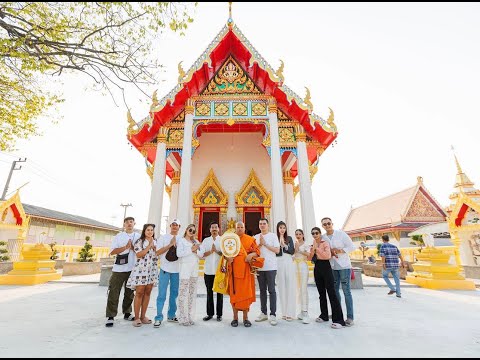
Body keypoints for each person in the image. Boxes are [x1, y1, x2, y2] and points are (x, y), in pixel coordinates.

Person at [105, 216, 140, 327]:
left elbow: (141, 251)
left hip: (133, 268)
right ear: (124, 224)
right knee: (114, 292)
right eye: (127, 222)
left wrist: (132, 248)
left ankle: (127, 313)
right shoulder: (119, 236)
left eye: (131, 222)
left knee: (129, 293)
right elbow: (112, 251)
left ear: (134, 223)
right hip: (119, 269)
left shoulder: (138, 236)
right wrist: (125, 247)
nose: (129, 224)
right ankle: (111, 316)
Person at [321, 217, 356, 326]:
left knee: (346, 292)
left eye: (328, 223)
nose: (327, 225)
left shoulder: (341, 234)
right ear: (323, 226)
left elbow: (352, 246)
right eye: (325, 224)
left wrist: (340, 250)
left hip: (344, 266)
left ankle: (350, 317)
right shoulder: (323, 237)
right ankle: (337, 313)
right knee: (334, 292)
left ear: (332, 223)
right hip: (332, 266)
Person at [309, 227, 346, 329]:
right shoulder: (313, 244)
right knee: (321, 293)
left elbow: (327, 255)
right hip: (317, 267)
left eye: (316, 233)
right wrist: (312, 249)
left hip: (326, 267)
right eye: (313, 233)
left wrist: (317, 248)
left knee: (331, 293)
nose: (315, 235)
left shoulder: (325, 243)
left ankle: (339, 320)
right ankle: (324, 315)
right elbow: (310, 258)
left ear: (320, 233)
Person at [227, 221, 261, 328]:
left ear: (244, 228)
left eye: (242, 227)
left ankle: (246, 318)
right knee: (234, 295)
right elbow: (225, 253)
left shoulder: (250, 239)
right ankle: (235, 318)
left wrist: (251, 255)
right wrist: (228, 258)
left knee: (246, 295)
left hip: (246, 271)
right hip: (234, 271)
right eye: (238, 227)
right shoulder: (231, 240)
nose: (240, 229)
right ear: (235, 228)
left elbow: (257, 252)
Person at [126, 223, 158, 327]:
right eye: (148, 230)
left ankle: (143, 316)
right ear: (144, 231)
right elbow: (139, 254)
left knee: (148, 292)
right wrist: (149, 246)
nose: (150, 232)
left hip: (151, 270)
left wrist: (155, 248)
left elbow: (158, 254)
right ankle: (136, 317)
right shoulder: (139, 242)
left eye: (151, 230)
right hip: (141, 270)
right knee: (139, 292)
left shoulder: (156, 242)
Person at [153, 219, 181, 328]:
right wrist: (170, 245)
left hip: (177, 270)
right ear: (170, 226)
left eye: (176, 225)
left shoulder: (182, 239)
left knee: (174, 294)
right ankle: (159, 317)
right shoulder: (163, 238)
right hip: (164, 269)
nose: (174, 227)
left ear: (179, 226)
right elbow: (157, 253)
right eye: (173, 225)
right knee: (162, 294)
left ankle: (171, 315)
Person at [254, 217, 280, 326]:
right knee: (262, 291)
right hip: (260, 267)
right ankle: (263, 313)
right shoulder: (255, 237)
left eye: (264, 223)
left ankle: (273, 314)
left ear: (267, 225)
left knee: (272, 290)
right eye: (260, 224)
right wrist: (260, 244)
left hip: (271, 267)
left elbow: (277, 250)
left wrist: (265, 244)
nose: (262, 225)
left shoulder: (273, 236)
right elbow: (254, 251)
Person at [176, 224, 202, 326]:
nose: (191, 232)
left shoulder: (196, 242)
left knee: (192, 293)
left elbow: (201, 255)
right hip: (185, 269)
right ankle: (182, 317)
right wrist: (191, 249)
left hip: (194, 269)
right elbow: (179, 254)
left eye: (193, 231)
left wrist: (196, 250)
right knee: (183, 293)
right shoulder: (181, 241)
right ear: (186, 230)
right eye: (190, 230)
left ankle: (190, 316)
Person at [199, 221, 223, 321]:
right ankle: (210, 314)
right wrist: (211, 252)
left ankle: (219, 315)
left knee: (219, 293)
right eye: (212, 228)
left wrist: (217, 251)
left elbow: (226, 254)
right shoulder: (206, 241)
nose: (214, 229)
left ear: (218, 229)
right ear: (210, 230)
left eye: (215, 227)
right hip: (208, 271)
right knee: (209, 293)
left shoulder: (222, 240)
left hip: (219, 271)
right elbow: (202, 254)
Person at [276, 221, 296, 321]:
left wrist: (284, 246)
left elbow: (292, 251)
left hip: (288, 261)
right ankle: (283, 312)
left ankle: (290, 313)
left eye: (284, 227)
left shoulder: (289, 238)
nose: (282, 229)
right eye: (280, 227)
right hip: (279, 262)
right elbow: (275, 252)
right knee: (281, 286)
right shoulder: (275, 238)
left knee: (289, 286)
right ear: (278, 229)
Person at [293, 229, 310, 324]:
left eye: (300, 234)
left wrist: (299, 250)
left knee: (303, 289)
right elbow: (293, 255)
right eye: (296, 234)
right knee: (297, 289)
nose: (298, 235)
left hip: (303, 265)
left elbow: (308, 255)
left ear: (303, 235)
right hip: (295, 266)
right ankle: (300, 311)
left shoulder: (306, 244)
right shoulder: (295, 243)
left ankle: (305, 312)